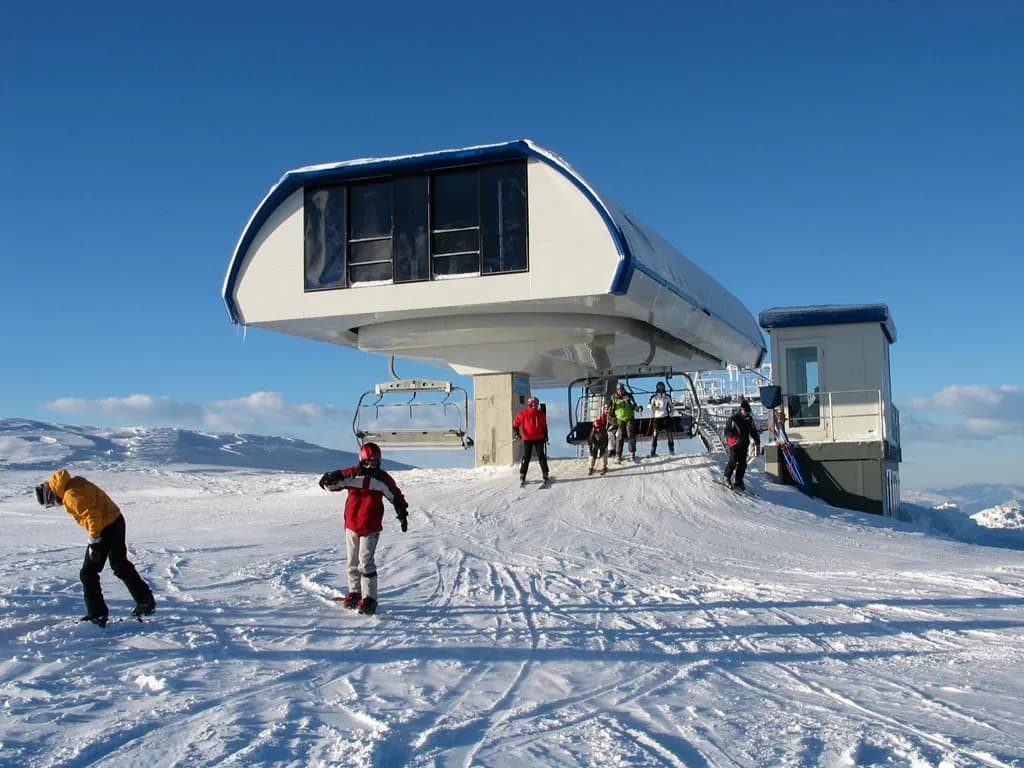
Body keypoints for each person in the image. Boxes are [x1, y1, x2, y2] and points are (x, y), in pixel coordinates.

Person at [34, 469, 156, 627]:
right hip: (116, 520)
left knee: (88, 573)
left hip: (104, 528)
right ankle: (145, 601)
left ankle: (97, 615)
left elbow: (92, 515)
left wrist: (94, 540)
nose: (55, 504)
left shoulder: (70, 496)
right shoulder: (74, 482)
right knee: (120, 565)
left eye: (51, 501)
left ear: (50, 493)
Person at [319, 442, 409, 616]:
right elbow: (333, 484)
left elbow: (395, 495)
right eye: (368, 463)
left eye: (374, 463)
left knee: (365, 562)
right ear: (361, 460)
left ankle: (370, 598)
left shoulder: (382, 479)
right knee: (352, 562)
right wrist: (328, 479)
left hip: (371, 526)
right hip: (352, 525)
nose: (371, 466)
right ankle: (355, 592)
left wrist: (402, 512)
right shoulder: (352, 474)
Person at [723, 399, 762, 491]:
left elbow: (752, 431)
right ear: (741, 410)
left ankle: (738, 480)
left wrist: (757, 440)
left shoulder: (749, 419)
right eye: (745, 411)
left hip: (744, 444)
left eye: (748, 411)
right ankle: (726, 478)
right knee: (733, 461)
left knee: (742, 464)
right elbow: (727, 431)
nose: (747, 413)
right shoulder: (734, 419)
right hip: (734, 444)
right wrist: (733, 436)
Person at [513, 396, 550, 486]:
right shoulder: (526, 414)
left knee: (533, 456)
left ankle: (541, 473)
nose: (535, 405)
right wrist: (516, 433)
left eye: (535, 404)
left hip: (535, 438)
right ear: (531, 404)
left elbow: (544, 426)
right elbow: (516, 424)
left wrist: (545, 435)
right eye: (534, 404)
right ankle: (526, 474)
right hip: (531, 438)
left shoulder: (538, 414)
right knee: (534, 456)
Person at [608, 383, 642, 462]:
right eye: (619, 390)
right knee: (620, 435)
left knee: (630, 434)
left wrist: (638, 408)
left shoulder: (628, 396)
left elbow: (634, 405)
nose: (621, 392)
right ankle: (618, 454)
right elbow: (610, 409)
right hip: (619, 418)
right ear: (617, 390)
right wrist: (609, 411)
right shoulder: (613, 398)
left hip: (629, 417)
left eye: (622, 390)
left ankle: (632, 452)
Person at [647, 381, 675, 457]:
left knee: (669, 433)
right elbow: (648, 405)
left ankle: (671, 450)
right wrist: (653, 407)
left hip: (665, 416)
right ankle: (653, 451)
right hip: (657, 417)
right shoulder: (654, 397)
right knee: (655, 434)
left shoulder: (667, 396)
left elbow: (671, 406)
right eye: (660, 388)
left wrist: (671, 413)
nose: (661, 389)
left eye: (662, 388)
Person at [587, 411, 610, 476]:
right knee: (592, 455)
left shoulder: (604, 431)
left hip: (602, 444)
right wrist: (592, 446)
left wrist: (604, 445)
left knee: (603, 454)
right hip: (595, 444)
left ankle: (604, 466)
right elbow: (591, 440)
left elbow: (606, 439)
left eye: (599, 427)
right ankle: (591, 467)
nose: (598, 429)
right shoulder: (593, 432)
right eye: (597, 427)